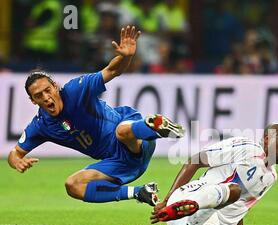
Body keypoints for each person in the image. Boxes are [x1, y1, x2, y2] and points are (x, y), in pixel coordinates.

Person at [7, 25, 185, 207]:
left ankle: (155, 127)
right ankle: (140, 192)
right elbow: (14, 153)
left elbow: (112, 71)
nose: (46, 97)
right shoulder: (41, 125)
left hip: (135, 138)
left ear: (55, 86)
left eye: (47, 90)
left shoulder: (76, 90)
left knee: (121, 132)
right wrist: (17, 163)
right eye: (38, 96)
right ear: (33, 101)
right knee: (73, 185)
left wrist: (127, 56)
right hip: (117, 163)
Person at [117, 124, 278, 225]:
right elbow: (196, 160)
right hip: (189, 199)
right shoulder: (247, 148)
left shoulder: (271, 177)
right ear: (267, 139)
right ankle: (189, 205)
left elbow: (238, 210)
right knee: (233, 190)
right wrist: (167, 200)